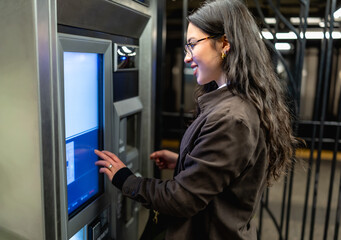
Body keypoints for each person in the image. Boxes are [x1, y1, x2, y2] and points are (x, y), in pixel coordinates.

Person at [95, 0, 299, 239]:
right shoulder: (236, 101)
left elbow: (182, 200)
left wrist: (125, 179)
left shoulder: (232, 118)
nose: (186, 58)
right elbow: (227, 173)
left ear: (224, 43)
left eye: (192, 45)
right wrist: (187, 161)